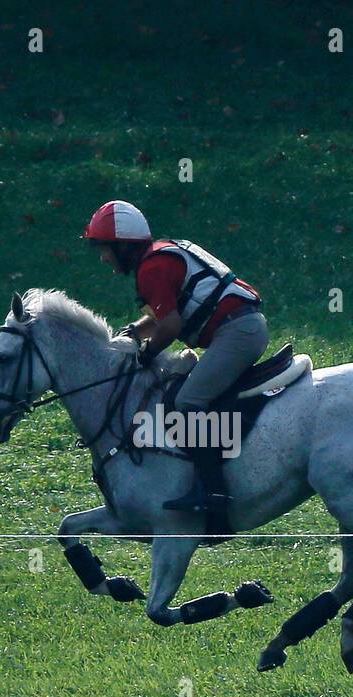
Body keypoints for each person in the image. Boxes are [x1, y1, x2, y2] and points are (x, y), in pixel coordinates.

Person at [82, 200, 269, 516]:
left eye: (105, 249)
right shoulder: (160, 255)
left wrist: (146, 354)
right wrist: (133, 332)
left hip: (237, 333)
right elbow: (163, 315)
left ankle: (212, 491)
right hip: (241, 327)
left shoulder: (151, 269)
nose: (103, 257)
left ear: (124, 247)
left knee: (187, 402)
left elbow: (171, 326)